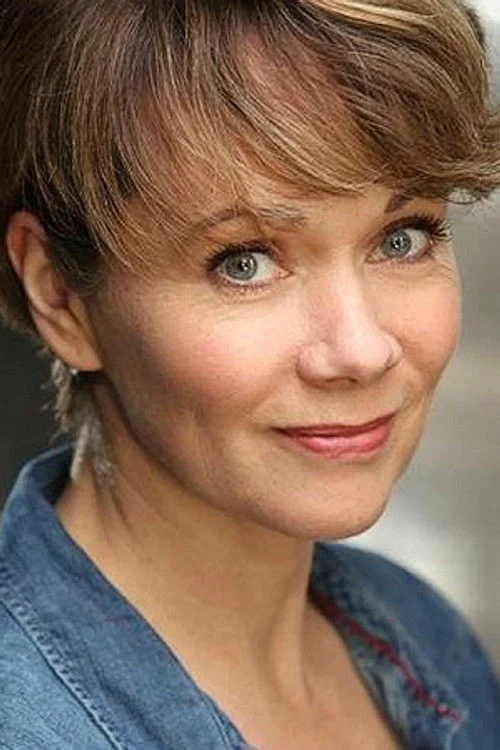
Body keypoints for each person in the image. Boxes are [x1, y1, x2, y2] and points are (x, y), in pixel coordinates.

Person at [0, 0, 499, 747]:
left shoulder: (428, 639)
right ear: (61, 295)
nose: (361, 350)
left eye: (402, 238)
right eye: (245, 263)